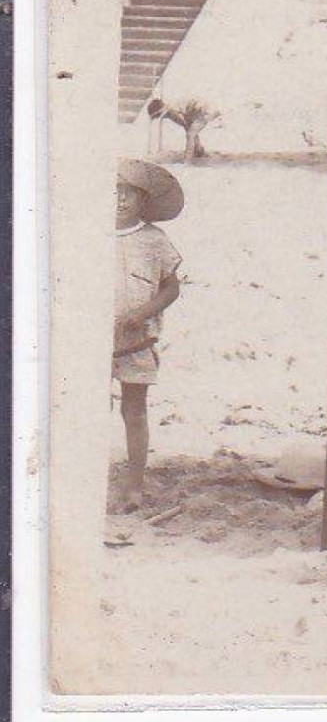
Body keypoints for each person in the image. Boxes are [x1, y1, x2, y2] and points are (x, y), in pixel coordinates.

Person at [114, 159, 185, 513]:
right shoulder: (85, 233)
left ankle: (135, 484)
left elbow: (171, 288)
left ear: (144, 201)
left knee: (134, 410)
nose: (119, 199)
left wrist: (143, 312)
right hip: (90, 342)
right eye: (113, 191)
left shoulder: (154, 240)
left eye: (128, 193)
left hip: (136, 342)